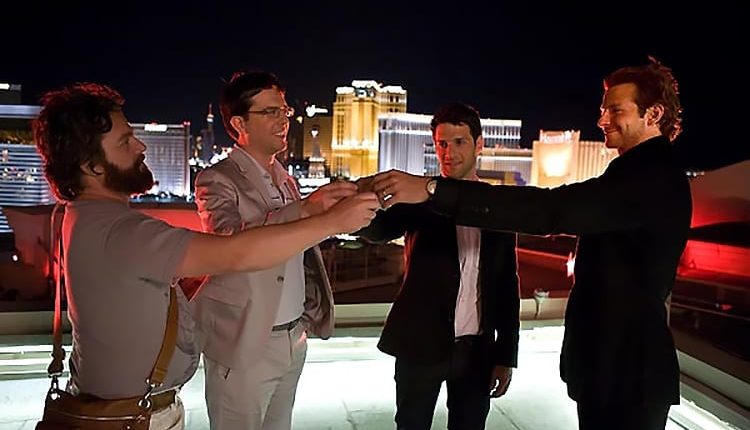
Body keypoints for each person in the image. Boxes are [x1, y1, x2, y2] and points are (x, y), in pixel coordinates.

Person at [32, 82, 379, 430]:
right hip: (134, 414)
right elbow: (235, 252)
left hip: (140, 401)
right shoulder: (123, 230)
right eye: (125, 141)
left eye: (283, 111)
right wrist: (328, 221)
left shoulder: (79, 216)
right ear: (91, 166)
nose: (141, 146)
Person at [370, 58, 691, 430]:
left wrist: (432, 189)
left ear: (654, 114)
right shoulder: (637, 173)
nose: (602, 119)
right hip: (613, 369)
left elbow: (549, 212)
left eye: (616, 110)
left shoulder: (648, 178)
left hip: (627, 373)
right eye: (603, 109)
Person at [192, 70, 355, 430]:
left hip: (293, 337)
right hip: (246, 342)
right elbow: (229, 243)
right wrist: (306, 210)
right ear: (239, 123)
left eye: (284, 111)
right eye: (270, 112)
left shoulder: (285, 180)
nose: (283, 120)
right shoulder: (217, 179)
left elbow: (299, 248)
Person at [357, 102, 520, 429]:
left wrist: (506, 355)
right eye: (442, 144)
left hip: (476, 351)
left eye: (459, 142)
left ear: (479, 144)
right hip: (420, 345)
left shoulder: (496, 207)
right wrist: (360, 198)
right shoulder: (420, 198)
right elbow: (378, 231)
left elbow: (506, 285)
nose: (449, 153)